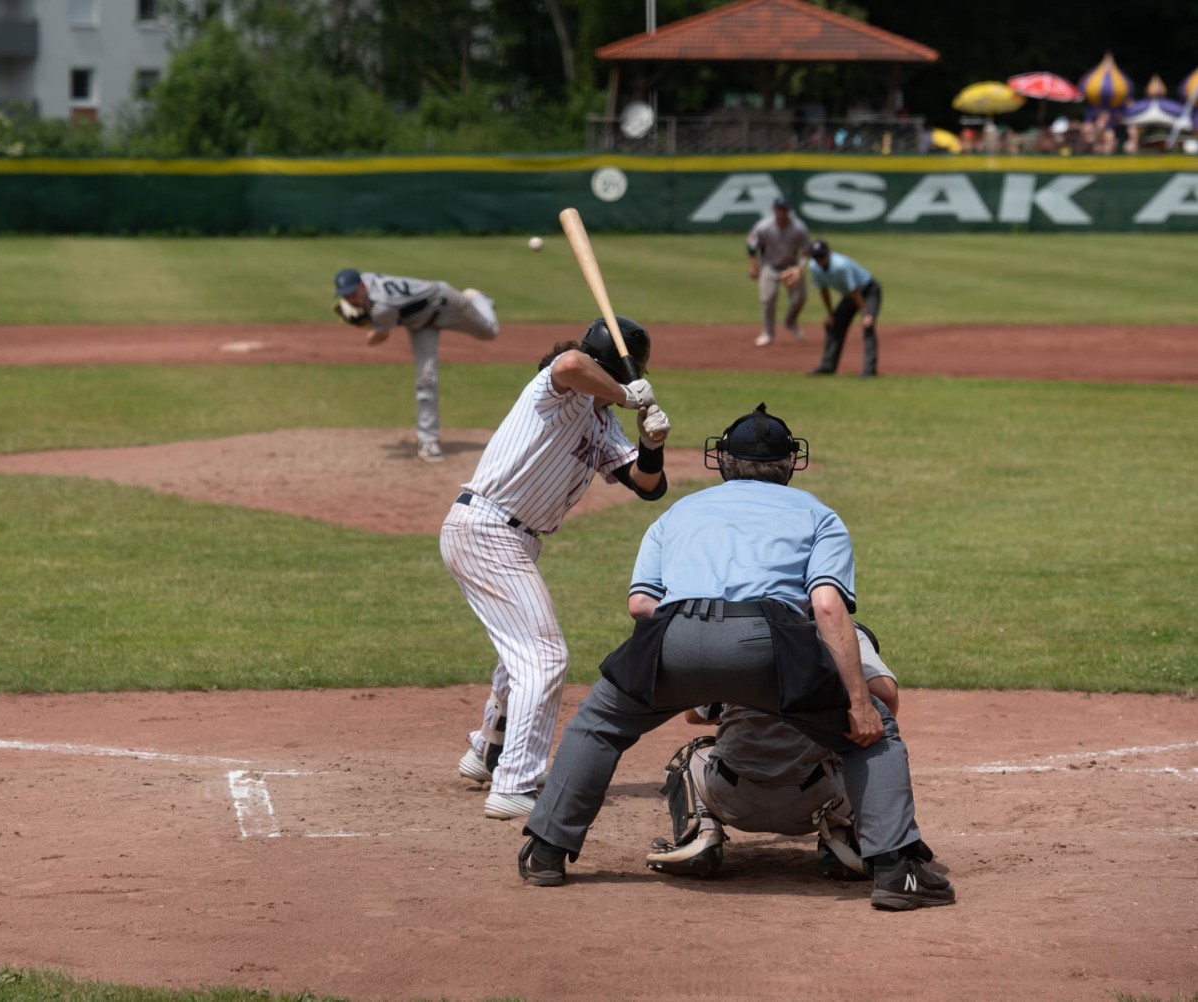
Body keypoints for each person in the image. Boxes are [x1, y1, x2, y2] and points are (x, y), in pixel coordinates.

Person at [517, 403, 955, 911]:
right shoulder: (818, 514)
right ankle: (896, 872)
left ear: (723, 461)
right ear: (790, 464)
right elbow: (828, 606)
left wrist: (701, 646)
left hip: (671, 636)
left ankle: (545, 851)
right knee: (872, 733)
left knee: (598, 724)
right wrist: (857, 702)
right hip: (768, 642)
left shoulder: (677, 511)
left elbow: (640, 604)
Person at [442, 317, 671, 820]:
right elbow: (570, 365)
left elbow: (647, 486)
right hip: (488, 528)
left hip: (509, 538)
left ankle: (490, 749)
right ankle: (515, 784)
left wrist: (652, 443)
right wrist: (630, 396)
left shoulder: (603, 423)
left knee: (518, 652)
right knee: (544, 658)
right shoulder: (558, 390)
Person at [645, 624, 924, 882]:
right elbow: (886, 695)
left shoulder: (729, 635)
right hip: (815, 800)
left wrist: (744, 704)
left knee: (691, 754)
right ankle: (841, 838)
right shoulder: (842, 632)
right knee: (860, 749)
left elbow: (693, 715)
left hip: (732, 798)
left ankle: (701, 834)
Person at [333, 268, 499, 462]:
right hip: (420, 325)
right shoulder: (367, 279)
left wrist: (368, 327)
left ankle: (480, 299)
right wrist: (367, 313)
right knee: (426, 379)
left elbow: (379, 337)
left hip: (446, 303)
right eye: (345, 295)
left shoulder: (382, 307)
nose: (349, 299)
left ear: (362, 285)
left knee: (489, 331)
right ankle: (428, 441)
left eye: (352, 293)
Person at [804, 239, 882, 378]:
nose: (819, 260)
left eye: (821, 256)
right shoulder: (814, 267)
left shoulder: (840, 265)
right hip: (850, 295)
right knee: (834, 325)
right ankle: (828, 366)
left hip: (868, 290)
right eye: (815, 257)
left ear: (828, 253)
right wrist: (830, 313)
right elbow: (823, 290)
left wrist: (865, 314)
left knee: (868, 325)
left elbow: (854, 291)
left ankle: (869, 371)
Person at [745, 196, 810, 347]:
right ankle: (767, 333)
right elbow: (751, 245)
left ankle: (790, 321)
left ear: (789, 211)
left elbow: (807, 250)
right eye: (779, 209)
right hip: (770, 266)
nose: (782, 212)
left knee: (799, 298)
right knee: (768, 299)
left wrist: (800, 268)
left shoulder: (799, 227)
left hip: (791, 265)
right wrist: (753, 266)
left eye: (784, 209)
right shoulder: (763, 226)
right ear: (773, 210)